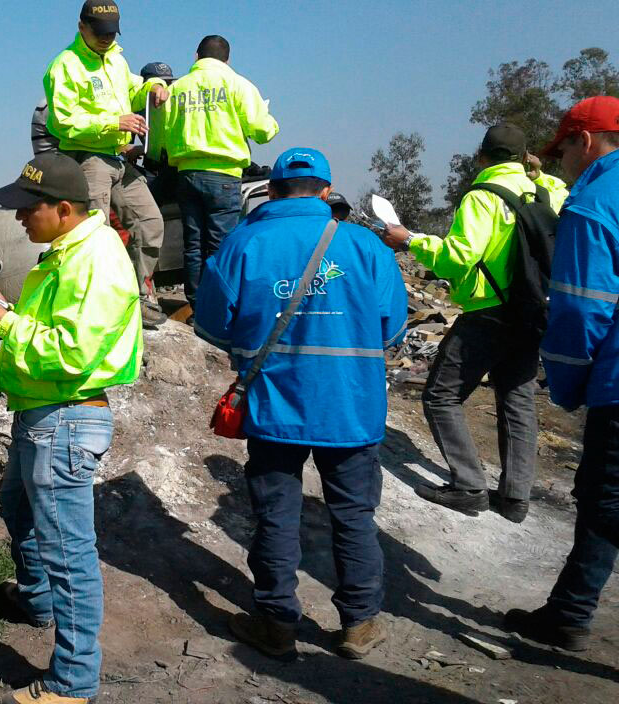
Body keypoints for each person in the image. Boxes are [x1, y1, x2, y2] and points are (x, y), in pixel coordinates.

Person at [194, 148, 407, 661]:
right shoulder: (365, 246)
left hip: (274, 407)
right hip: (350, 407)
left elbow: (211, 324)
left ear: (270, 191)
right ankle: (358, 625)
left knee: (276, 516)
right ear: (327, 192)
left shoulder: (242, 244)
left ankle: (276, 623)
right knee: (354, 515)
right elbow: (392, 327)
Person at [0, 151, 142, 704]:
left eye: (28, 209)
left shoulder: (95, 259)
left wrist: (7, 325)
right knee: (17, 506)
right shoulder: (67, 253)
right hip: (41, 413)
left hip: (65, 417)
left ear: (63, 208)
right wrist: (9, 310)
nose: (19, 220)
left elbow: (74, 351)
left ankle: (71, 680)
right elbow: (57, 326)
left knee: (69, 551)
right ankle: (39, 600)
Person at [503, 96, 619, 652]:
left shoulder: (594, 201)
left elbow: (578, 307)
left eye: (564, 149)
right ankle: (569, 614)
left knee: (609, 502)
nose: (562, 162)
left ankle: (568, 614)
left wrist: (571, 386)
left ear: (587, 142)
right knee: (604, 501)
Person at [382, 124, 543, 521]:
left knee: (441, 395)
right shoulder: (545, 190)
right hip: (534, 310)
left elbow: (458, 256)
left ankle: (469, 486)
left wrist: (409, 240)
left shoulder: (483, 196)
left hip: (489, 310)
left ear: (482, 156)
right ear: (524, 156)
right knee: (517, 398)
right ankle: (515, 497)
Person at [43, 0, 169, 328]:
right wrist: (114, 123)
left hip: (117, 159)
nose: (106, 38)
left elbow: (134, 87)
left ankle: (138, 293)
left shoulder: (115, 60)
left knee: (150, 222)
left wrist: (154, 86)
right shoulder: (64, 65)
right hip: (85, 157)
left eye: (112, 32)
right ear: (81, 26)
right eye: (99, 31)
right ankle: (100, 304)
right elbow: (61, 122)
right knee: (95, 235)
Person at [163, 35, 279, 309]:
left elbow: (163, 135)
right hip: (223, 175)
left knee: (193, 245)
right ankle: (217, 307)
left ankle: (195, 304)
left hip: (186, 174)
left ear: (196, 57)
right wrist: (269, 119)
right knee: (221, 246)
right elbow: (263, 132)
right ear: (227, 60)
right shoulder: (238, 84)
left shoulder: (178, 88)